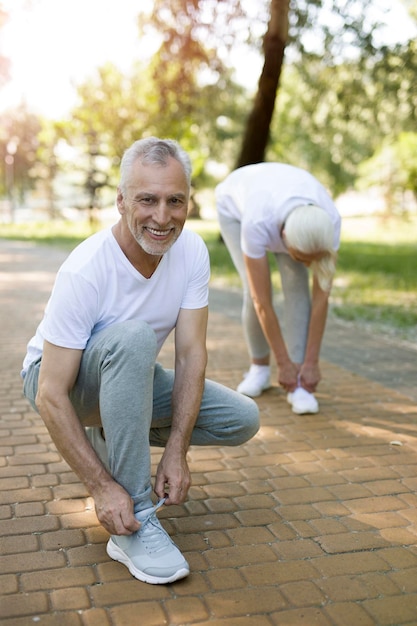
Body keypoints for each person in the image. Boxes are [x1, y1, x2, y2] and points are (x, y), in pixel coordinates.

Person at [21, 137, 259, 585]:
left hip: (128, 374)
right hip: (60, 384)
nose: (162, 217)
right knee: (134, 337)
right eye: (147, 200)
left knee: (242, 418)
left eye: (175, 201)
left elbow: (191, 355)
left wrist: (177, 451)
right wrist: (100, 486)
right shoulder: (86, 268)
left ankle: (116, 424)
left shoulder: (191, 253)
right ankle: (133, 523)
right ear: (121, 201)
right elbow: (50, 394)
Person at [215, 162, 341, 414]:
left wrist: (311, 362)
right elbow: (262, 301)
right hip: (235, 210)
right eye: (302, 257)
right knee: (252, 291)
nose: (308, 265)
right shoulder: (257, 221)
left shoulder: (330, 222)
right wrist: (280, 362)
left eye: (312, 259)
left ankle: (299, 383)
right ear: (284, 239)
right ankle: (259, 368)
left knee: (297, 284)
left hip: (288, 211)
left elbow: (320, 301)